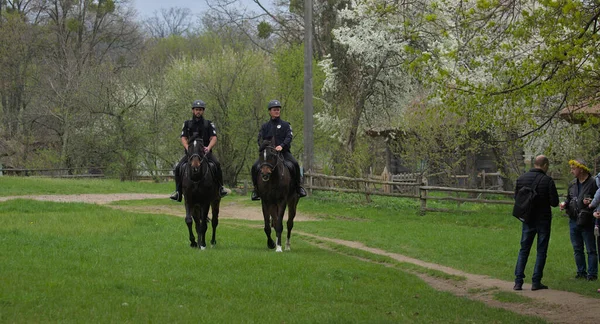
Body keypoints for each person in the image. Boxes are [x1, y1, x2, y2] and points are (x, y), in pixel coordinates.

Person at [513, 155, 559, 291]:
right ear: (544, 165)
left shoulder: (521, 179)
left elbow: (517, 198)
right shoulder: (548, 180)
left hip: (527, 219)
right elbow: (554, 202)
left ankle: (518, 281)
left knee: (524, 249)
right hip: (543, 220)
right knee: (541, 251)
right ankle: (536, 281)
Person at [170, 99, 228, 202]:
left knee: (217, 164)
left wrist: (208, 147)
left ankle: (220, 188)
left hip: (205, 153)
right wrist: (188, 147)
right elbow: (183, 138)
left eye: (200, 110)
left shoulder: (208, 124)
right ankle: (178, 192)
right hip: (191, 154)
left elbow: (214, 137)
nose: (198, 112)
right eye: (196, 109)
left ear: (203, 111)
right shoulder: (187, 124)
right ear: (193, 110)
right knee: (178, 167)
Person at [250, 99, 307, 201]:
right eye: (274, 110)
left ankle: (298, 188)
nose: (277, 111)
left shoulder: (286, 125)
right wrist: (264, 146)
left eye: (278, 110)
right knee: (255, 166)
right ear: (269, 111)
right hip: (268, 154)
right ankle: (256, 190)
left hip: (283, 153)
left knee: (295, 164)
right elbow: (259, 139)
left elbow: (289, 137)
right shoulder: (265, 126)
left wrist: (282, 145)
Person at [561, 158, 598, 281]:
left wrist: (591, 202)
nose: (571, 171)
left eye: (573, 168)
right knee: (577, 248)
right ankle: (581, 272)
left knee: (591, 249)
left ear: (581, 169)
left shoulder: (593, 183)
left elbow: (598, 200)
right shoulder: (572, 184)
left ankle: (592, 274)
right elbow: (569, 198)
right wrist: (564, 204)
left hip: (587, 220)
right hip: (573, 220)